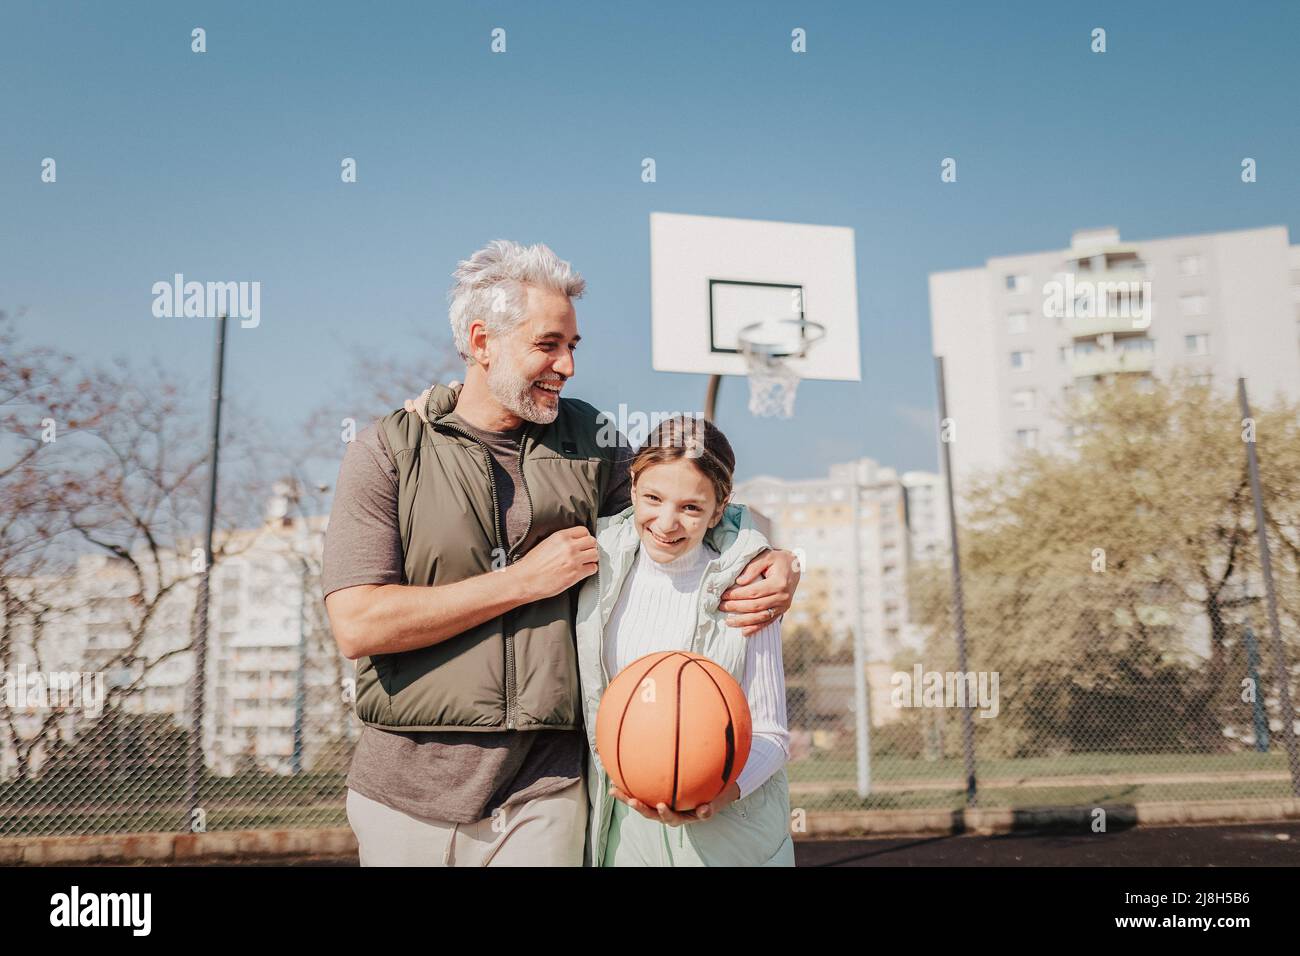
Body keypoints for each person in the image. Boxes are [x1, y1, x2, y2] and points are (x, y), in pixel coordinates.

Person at [322, 239, 802, 866]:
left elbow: (683, 495)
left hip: (546, 788)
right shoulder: (388, 451)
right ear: (482, 340)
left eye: (573, 347)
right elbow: (358, 623)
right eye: (548, 345)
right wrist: (523, 581)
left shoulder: (588, 439)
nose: (567, 366)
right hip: (408, 790)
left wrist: (776, 556)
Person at [576, 414, 795, 866]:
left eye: (691, 507)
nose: (667, 522)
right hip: (624, 829)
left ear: (720, 508)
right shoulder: (594, 569)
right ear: (632, 486)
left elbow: (772, 733)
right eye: (653, 497)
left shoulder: (750, 585)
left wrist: (719, 794)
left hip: (730, 831)